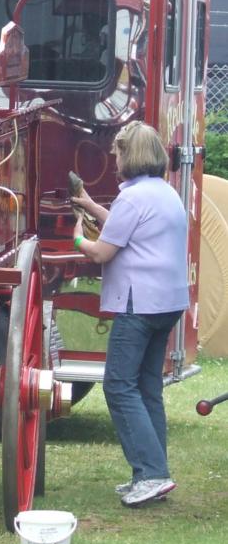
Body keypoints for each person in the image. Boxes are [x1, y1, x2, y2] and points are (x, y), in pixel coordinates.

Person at [71, 121, 189, 507]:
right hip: (168, 303)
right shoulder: (164, 193)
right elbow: (126, 229)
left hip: (138, 304)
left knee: (118, 386)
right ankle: (154, 473)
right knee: (147, 387)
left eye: (118, 152)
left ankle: (152, 473)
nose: (114, 157)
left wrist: (77, 237)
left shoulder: (132, 198)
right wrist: (90, 206)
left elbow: (103, 252)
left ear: (130, 155)